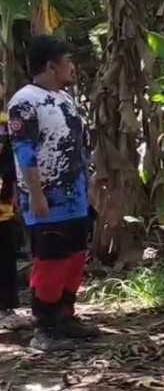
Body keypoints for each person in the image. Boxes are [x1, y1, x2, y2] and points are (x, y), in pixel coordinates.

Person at [8, 36, 99, 352]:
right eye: (68, 60)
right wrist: (35, 193)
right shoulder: (25, 101)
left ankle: (66, 315)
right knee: (51, 261)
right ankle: (44, 328)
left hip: (76, 196)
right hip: (47, 198)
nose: (73, 67)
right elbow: (24, 150)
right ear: (50, 65)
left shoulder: (65, 99)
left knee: (75, 258)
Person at [0, 77, 32, 331]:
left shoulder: (5, 124)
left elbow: (13, 166)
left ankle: (6, 310)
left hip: (3, 208)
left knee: (5, 256)